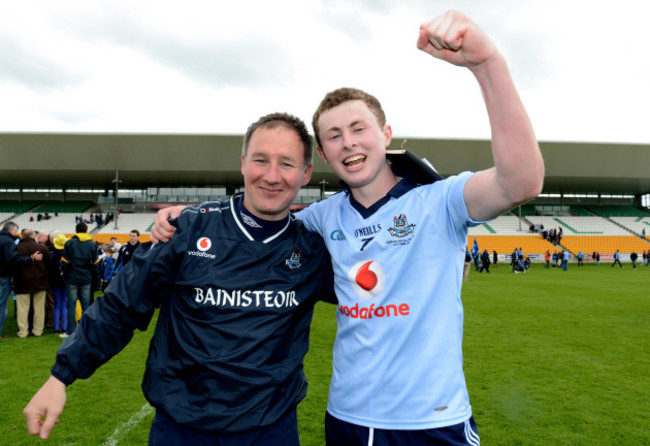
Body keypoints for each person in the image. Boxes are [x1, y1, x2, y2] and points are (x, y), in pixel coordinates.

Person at [151, 10, 544, 445]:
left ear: (386, 133)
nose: (349, 141)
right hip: (347, 420)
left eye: (359, 128)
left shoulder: (439, 201)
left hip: (432, 422)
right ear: (323, 153)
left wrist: (486, 64)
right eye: (334, 135)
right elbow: (253, 215)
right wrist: (186, 213)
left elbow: (521, 181)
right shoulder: (323, 216)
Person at [24, 112, 335, 445]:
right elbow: (121, 305)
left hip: (271, 431)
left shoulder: (313, 250)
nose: (272, 176)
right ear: (244, 163)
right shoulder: (187, 230)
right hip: (182, 430)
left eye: (286, 164)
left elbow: (379, 294)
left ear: (306, 174)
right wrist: (60, 376)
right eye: (261, 160)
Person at [0, 222, 43, 338]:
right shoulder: (8, 241)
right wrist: (30, 259)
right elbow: (12, 259)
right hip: (3, 276)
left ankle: (22, 331)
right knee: (2, 305)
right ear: (11, 231)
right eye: (16, 231)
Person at [60, 222, 100, 338]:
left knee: (71, 305)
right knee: (85, 305)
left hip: (72, 278)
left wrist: (66, 274)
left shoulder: (70, 243)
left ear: (76, 231)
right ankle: (85, 331)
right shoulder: (92, 245)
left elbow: (64, 262)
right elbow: (95, 264)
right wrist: (93, 276)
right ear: (87, 230)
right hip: (86, 278)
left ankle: (70, 332)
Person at [14, 229, 52, 338]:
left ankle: (22, 332)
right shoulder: (42, 248)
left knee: (22, 309)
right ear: (34, 236)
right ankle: (38, 331)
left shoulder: (16, 248)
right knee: (39, 308)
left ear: (22, 237)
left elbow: (12, 264)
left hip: (21, 282)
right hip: (40, 281)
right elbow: (50, 266)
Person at [50, 234, 68, 334]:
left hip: (55, 282)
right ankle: (64, 326)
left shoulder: (53, 255)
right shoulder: (68, 254)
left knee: (56, 305)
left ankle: (56, 327)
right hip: (65, 281)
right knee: (64, 304)